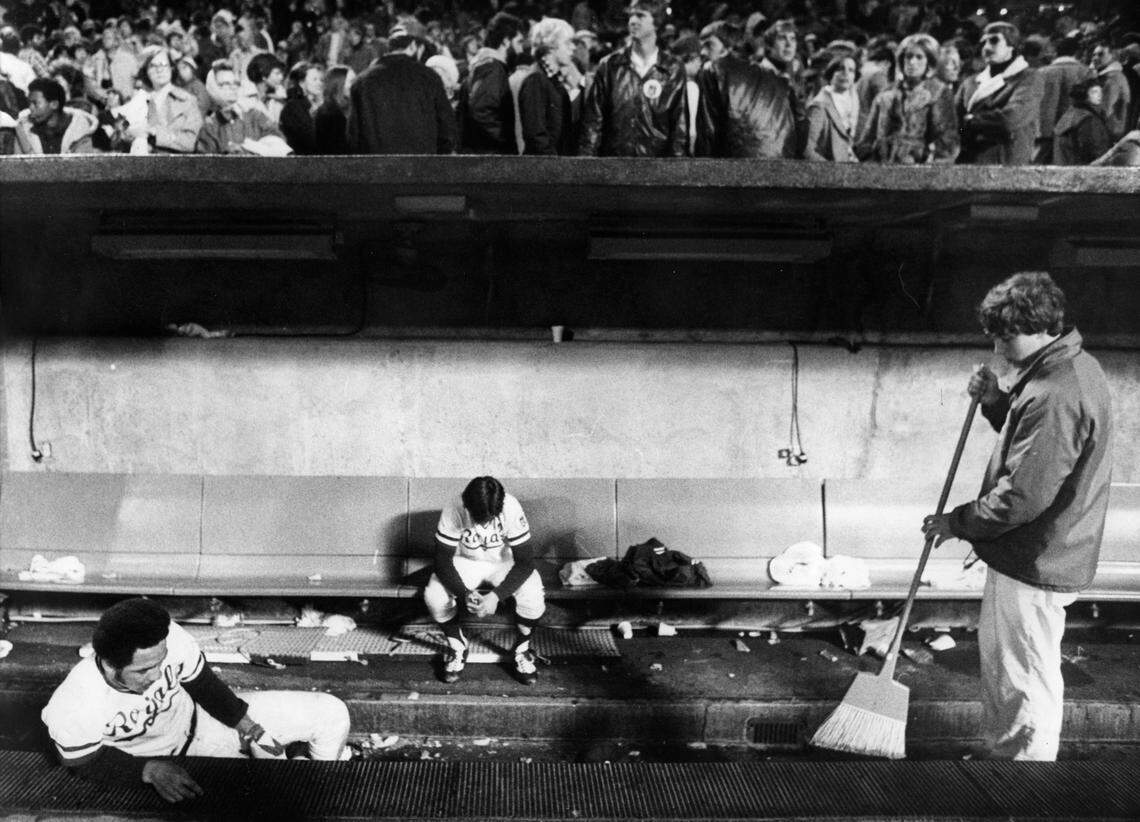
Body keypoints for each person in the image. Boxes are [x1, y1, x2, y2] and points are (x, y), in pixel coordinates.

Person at [922, 272, 1113, 761]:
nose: (999, 346)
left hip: (1036, 557)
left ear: (1041, 327)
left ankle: (1022, 782)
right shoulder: (1065, 370)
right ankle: (1009, 762)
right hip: (1037, 552)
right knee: (1015, 672)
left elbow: (1022, 497)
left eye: (1006, 336)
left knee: (1023, 677)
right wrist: (996, 402)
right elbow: (1031, 447)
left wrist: (958, 522)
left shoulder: (1056, 391)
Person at [42, 598, 351, 803]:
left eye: (160, 661)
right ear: (109, 664)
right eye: (144, 670)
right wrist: (150, 770)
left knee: (332, 713)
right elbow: (86, 763)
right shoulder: (74, 703)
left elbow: (203, 684)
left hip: (204, 720)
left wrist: (251, 728)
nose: (158, 674)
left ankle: (316, 792)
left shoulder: (167, 638)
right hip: (171, 764)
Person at [425, 476, 544, 686]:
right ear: (466, 503)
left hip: (503, 562)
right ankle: (457, 646)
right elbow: (442, 561)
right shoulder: (455, 506)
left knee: (533, 596)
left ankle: (521, 650)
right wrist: (465, 593)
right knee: (434, 594)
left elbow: (525, 563)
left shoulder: (511, 506)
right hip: (466, 561)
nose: (484, 522)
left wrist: (496, 597)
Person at [578, 0, 688, 157]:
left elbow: (680, 126)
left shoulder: (672, 69)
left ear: (656, 22)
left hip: (656, 167)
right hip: (614, 165)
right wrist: (586, 166)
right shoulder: (610, 65)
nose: (632, 21)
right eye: (631, 15)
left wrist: (676, 173)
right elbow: (593, 122)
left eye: (640, 16)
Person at [694, 21, 802, 159]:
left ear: (728, 47)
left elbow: (707, 133)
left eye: (709, 45)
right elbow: (801, 127)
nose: (702, 52)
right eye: (701, 46)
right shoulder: (778, 80)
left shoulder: (712, 69)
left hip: (733, 171)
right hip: (780, 168)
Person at [347, 21, 457, 155]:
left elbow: (353, 137)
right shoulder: (429, 78)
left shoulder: (361, 82)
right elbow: (447, 132)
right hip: (422, 169)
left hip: (377, 171)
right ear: (414, 46)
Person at [858, 33, 958, 163]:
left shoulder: (939, 92)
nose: (912, 62)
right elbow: (867, 138)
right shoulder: (886, 93)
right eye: (908, 56)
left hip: (921, 168)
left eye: (919, 57)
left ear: (929, 62)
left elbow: (947, 140)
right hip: (883, 167)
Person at [956, 22, 1042, 165]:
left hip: (1006, 163)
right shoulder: (970, 82)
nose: (987, 48)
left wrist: (971, 120)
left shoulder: (1029, 78)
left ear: (1012, 45)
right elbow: (954, 120)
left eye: (994, 40)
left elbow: (1010, 119)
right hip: (969, 160)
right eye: (984, 42)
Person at [458, 11, 523, 154]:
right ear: (506, 41)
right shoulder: (493, 69)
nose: (521, 49)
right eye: (518, 42)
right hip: (490, 156)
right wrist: (505, 142)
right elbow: (481, 110)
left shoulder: (482, 65)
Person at [517, 16, 580, 156]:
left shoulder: (552, 80)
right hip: (543, 172)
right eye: (568, 43)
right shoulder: (536, 81)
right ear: (551, 46)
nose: (573, 48)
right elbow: (536, 137)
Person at [195, 61, 289, 155]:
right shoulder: (210, 126)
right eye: (225, 84)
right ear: (213, 88)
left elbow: (279, 139)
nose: (233, 87)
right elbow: (205, 163)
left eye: (235, 83)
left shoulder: (255, 116)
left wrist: (253, 148)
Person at [122, 45, 203, 153]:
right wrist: (128, 135)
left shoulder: (187, 100)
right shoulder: (139, 99)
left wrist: (155, 133)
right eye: (153, 65)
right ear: (146, 71)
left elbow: (190, 142)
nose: (159, 69)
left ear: (171, 68)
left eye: (164, 64)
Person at [1034, 34, 1094, 164]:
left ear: (1057, 52)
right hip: (1073, 132)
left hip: (1044, 133)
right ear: (1078, 52)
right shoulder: (1086, 72)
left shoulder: (1042, 73)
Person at [12, 75, 98, 153]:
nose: (30, 108)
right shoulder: (23, 129)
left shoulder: (79, 128)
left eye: (35, 103)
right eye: (29, 103)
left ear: (54, 104)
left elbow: (84, 167)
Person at [804, 53, 860, 162]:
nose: (846, 74)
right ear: (831, 73)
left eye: (851, 70)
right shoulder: (819, 106)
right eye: (840, 69)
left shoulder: (853, 102)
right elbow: (807, 150)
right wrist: (830, 169)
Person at [1052, 78, 1112, 165]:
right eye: (1094, 92)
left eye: (1100, 92)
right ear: (1084, 94)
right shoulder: (1088, 119)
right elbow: (1094, 151)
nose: (1100, 95)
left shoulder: (1072, 112)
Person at [279, 60, 323, 154]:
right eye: (314, 79)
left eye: (321, 79)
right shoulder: (293, 107)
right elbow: (309, 138)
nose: (319, 83)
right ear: (301, 82)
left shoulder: (316, 104)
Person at [1090, 39, 1131, 139]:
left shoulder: (1113, 78)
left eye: (1100, 54)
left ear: (1112, 55)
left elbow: (1105, 110)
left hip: (1108, 134)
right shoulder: (1110, 76)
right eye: (1093, 55)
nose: (1095, 58)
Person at [314, 64, 353, 154]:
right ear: (339, 83)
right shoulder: (328, 114)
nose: (355, 83)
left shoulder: (345, 109)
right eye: (351, 81)